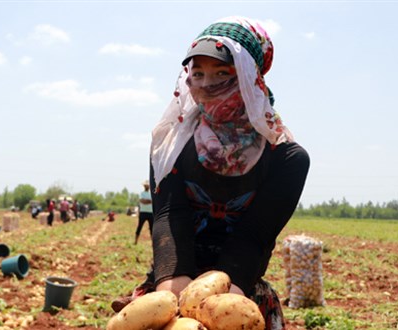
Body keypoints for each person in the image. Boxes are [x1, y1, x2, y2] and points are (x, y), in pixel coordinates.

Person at [114, 17, 310, 329]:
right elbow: (168, 214)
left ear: (250, 78)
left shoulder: (286, 158)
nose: (206, 86)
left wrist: (216, 308)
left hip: (238, 291)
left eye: (222, 73)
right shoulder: (169, 144)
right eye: (199, 73)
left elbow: (254, 236)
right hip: (170, 282)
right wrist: (173, 298)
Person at [135, 180, 154, 245]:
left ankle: (153, 242)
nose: (146, 186)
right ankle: (136, 241)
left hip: (150, 213)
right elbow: (142, 201)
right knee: (139, 227)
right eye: (145, 185)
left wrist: (147, 201)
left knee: (152, 229)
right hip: (143, 212)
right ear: (144, 186)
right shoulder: (141, 193)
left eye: (147, 185)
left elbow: (148, 201)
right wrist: (149, 201)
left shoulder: (151, 194)